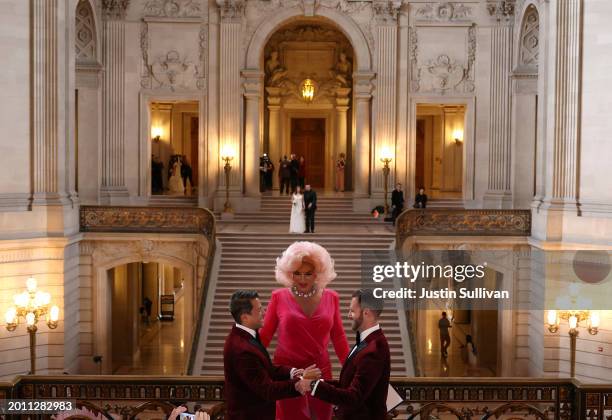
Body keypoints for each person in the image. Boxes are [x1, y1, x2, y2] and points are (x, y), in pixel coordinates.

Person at [259, 242, 349, 420]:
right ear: (289, 273)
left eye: (308, 274)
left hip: (321, 372)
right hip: (289, 375)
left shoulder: (332, 297)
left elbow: (338, 337)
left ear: (317, 274)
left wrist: (352, 368)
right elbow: (265, 335)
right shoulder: (278, 297)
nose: (302, 279)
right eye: (297, 273)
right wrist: (252, 363)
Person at [295, 288, 391, 420]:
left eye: (352, 311)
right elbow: (346, 385)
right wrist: (314, 382)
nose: (348, 315)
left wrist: (313, 385)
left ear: (366, 313)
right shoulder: (367, 342)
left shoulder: (374, 349)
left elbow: (354, 397)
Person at [224, 290, 321, 420]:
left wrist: (294, 372)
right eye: (259, 310)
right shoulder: (242, 349)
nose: (264, 313)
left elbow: (266, 368)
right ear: (245, 317)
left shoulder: (246, 336)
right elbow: (267, 390)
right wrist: (301, 382)